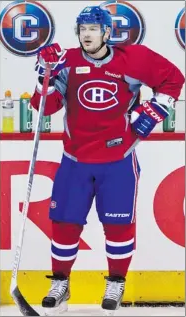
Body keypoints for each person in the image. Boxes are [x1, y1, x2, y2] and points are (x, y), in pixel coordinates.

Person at [30, 5, 184, 316]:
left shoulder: (134, 58)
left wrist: (156, 109)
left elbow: (173, 79)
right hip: (75, 160)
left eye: (93, 29)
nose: (86, 34)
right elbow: (44, 108)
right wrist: (43, 77)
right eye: (82, 29)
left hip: (118, 160)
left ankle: (116, 282)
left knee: (118, 226)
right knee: (64, 225)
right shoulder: (67, 61)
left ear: (107, 33)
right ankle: (60, 284)